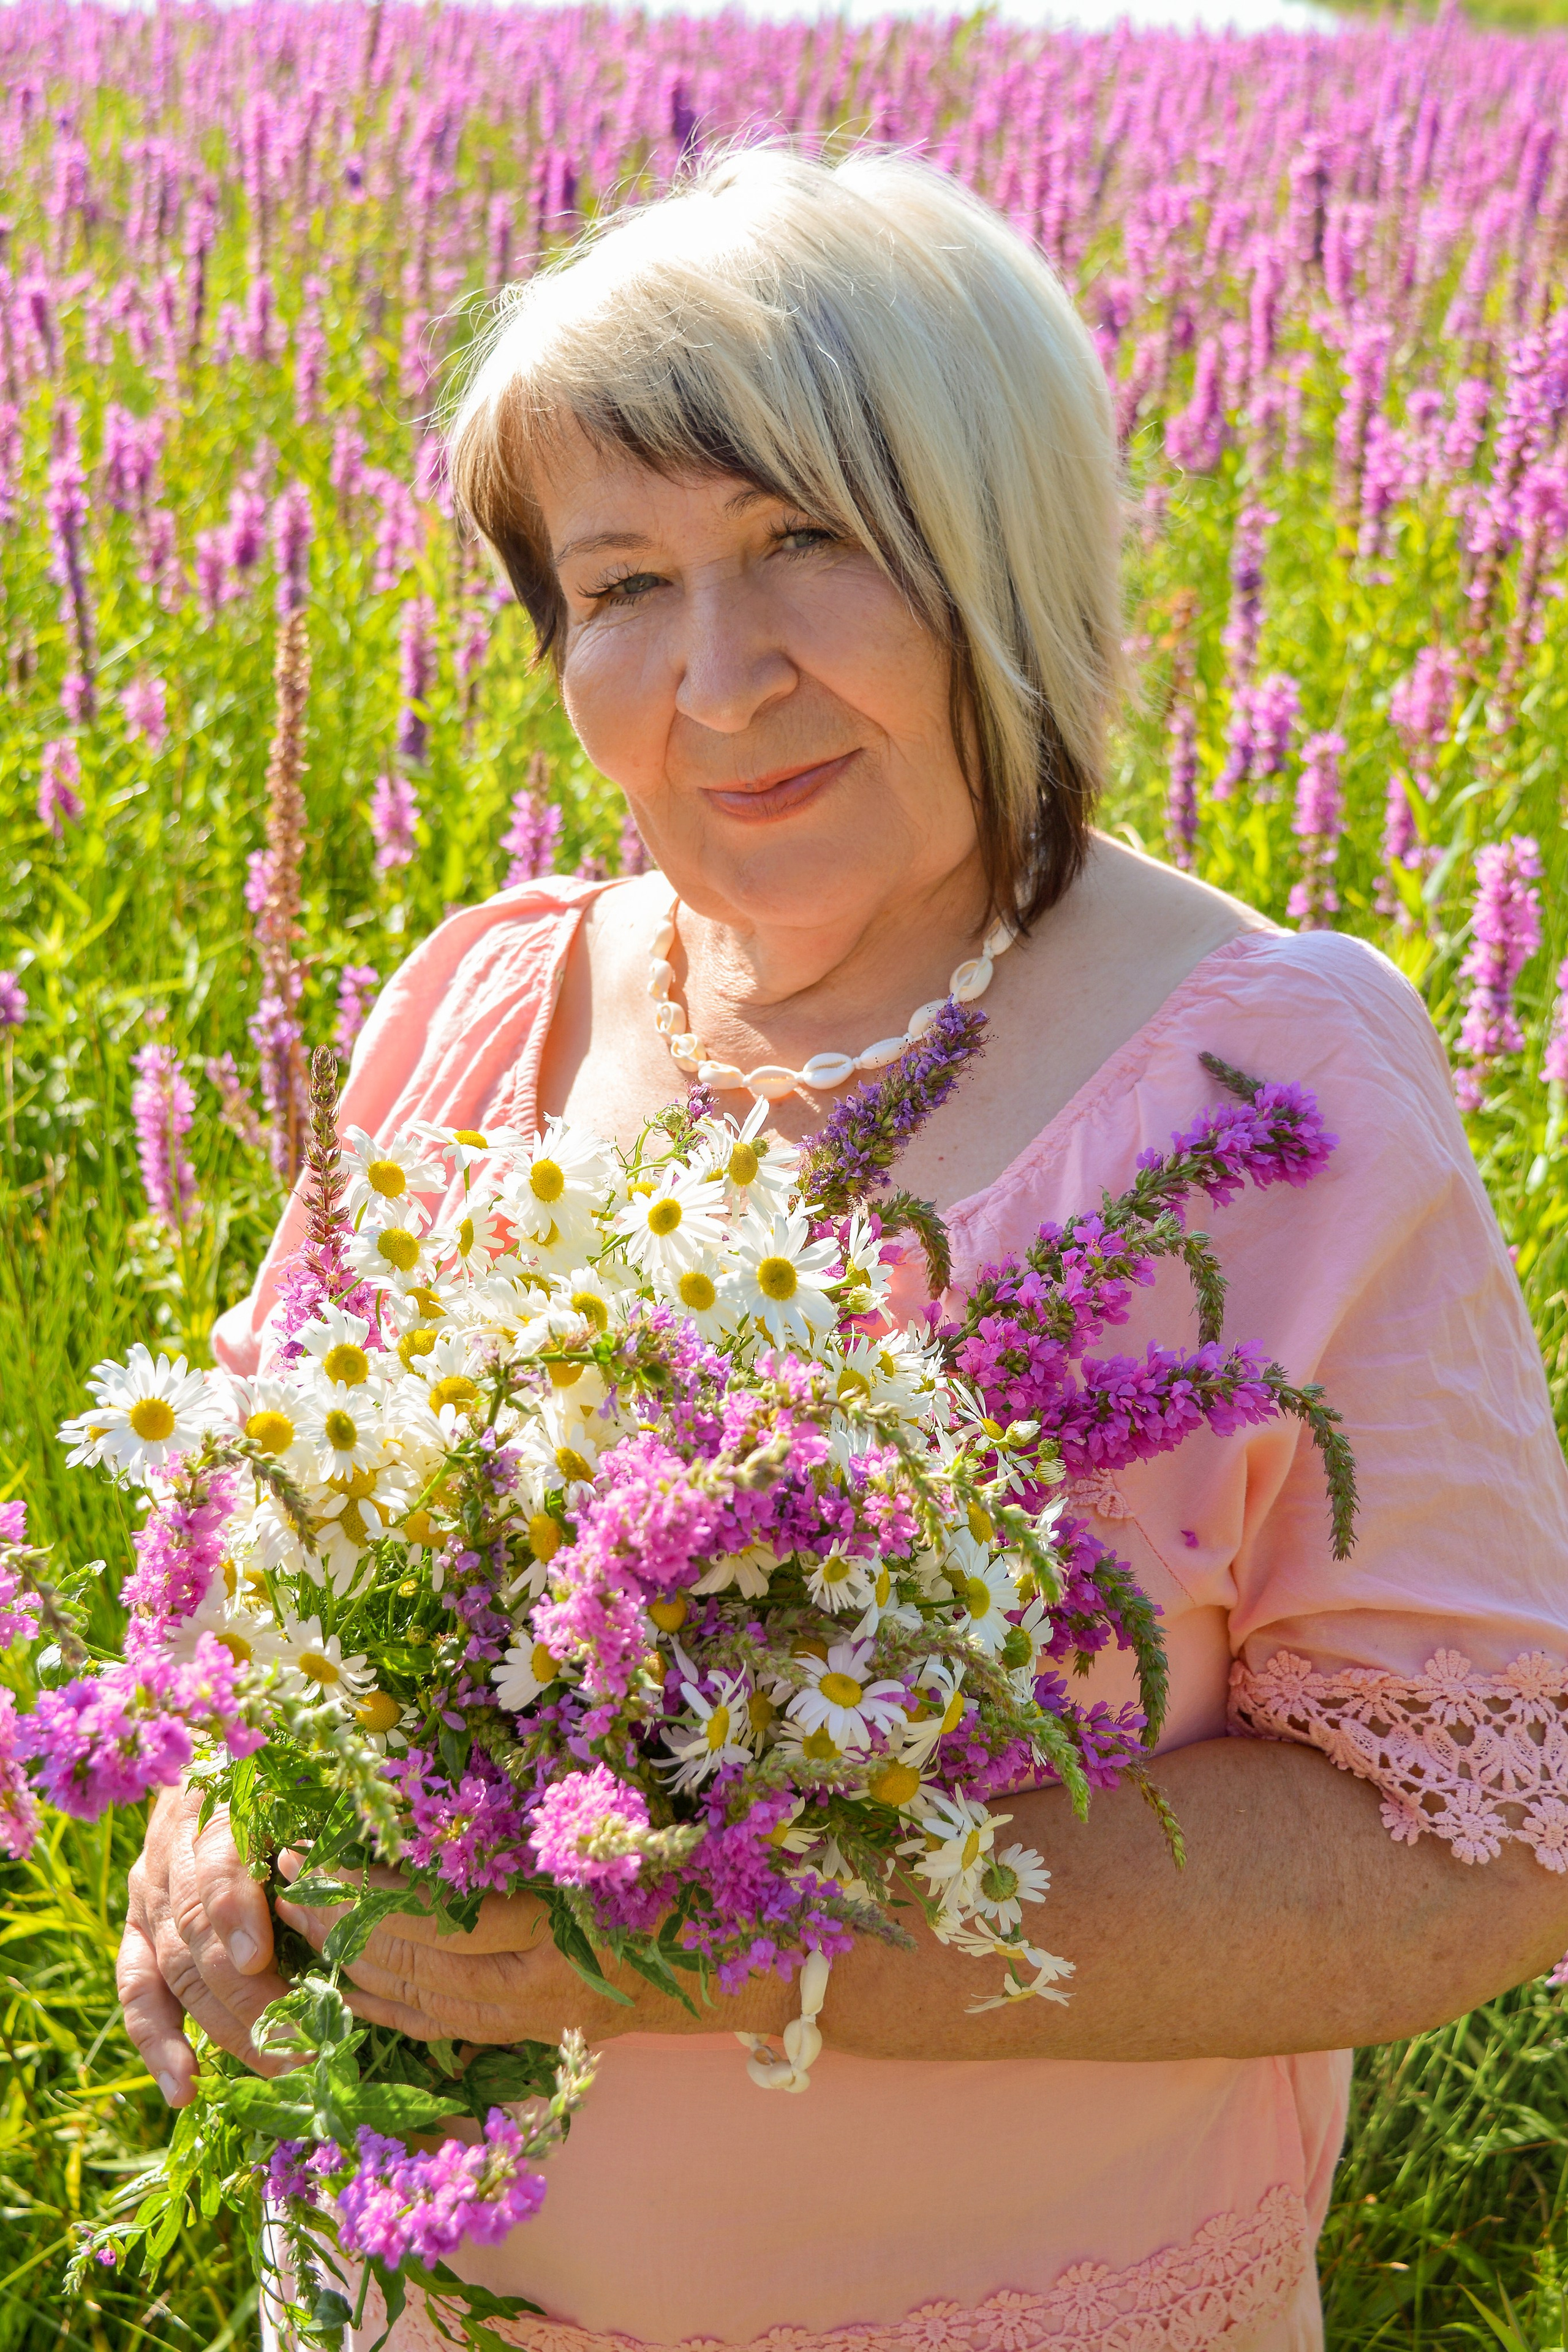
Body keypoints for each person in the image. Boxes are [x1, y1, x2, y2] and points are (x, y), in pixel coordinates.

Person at [117, 146, 1568, 2352]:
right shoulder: (485, 1007)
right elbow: (256, 1559)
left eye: (807, 542)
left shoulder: (1266, 1098)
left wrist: (764, 1925)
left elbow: (1482, 1847)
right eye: (620, 582)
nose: (716, 678)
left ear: (1004, 557)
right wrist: (221, 1821)